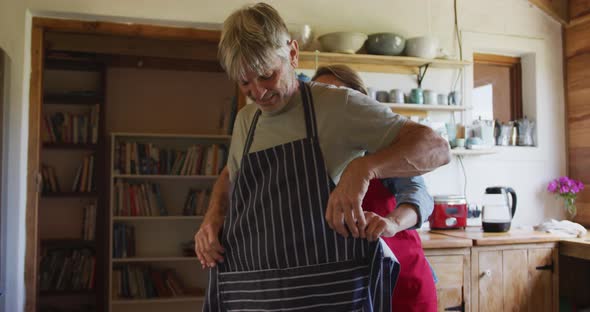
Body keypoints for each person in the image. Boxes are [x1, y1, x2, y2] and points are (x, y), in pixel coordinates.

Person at [194, 3, 450, 311]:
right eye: (245, 82)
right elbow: (231, 176)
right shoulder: (246, 120)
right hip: (255, 296)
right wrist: (213, 216)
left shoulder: (337, 105)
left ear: (292, 53)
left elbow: (436, 148)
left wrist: (363, 168)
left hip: (327, 295)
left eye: (266, 75)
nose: (258, 92)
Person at [312, 64, 438, 311]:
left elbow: (418, 195)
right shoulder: (308, 155)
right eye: (322, 97)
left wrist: (392, 223)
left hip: (402, 285)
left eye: (341, 98)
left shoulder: (384, 149)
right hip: (348, 293)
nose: (331, 108)